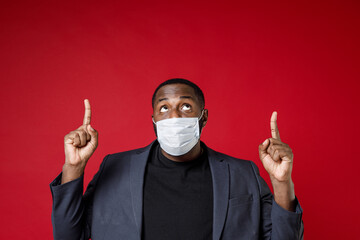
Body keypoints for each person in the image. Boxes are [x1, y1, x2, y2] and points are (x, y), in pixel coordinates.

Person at [50, 78, 303, 240]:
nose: (174, 116)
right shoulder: (115, 168)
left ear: (203, 117)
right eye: (164, 108)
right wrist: (73, 167)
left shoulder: (242, 173)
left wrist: (282, 183)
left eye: (185, 106)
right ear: (153, 121)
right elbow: (68, 236)